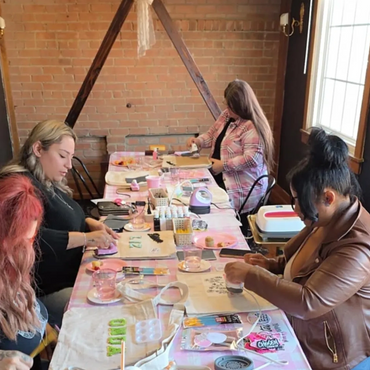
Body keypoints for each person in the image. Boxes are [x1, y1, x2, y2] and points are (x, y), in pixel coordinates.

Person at [224, 128, 370, 370]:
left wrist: (250, 275)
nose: (295, 208)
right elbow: (304, 263)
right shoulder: (327, 218)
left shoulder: (358, 247)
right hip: (304, 330)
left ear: (328, 197)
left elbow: (308, 302)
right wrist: (272, 265)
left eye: (298, 200)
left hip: (334, 353)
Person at [0, 120, 119, 327]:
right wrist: (86, 238)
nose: (69, 165)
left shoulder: (45, 178)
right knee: (105, 317)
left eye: (71, 158)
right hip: (47, 289)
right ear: (38, 149)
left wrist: (90, 223)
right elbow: (32, 238)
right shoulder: (18, 185)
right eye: (62, 156)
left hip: (74, 273)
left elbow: (67, 214)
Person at [186, 79, 274, 219]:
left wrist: (224, 165)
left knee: (204, 208)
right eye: (227, 104)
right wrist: (198, 141)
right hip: (218, 176)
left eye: (232, 107)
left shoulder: (252, 127)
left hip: (239, 188)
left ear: (242, 106)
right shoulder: (226, 115)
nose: (228, 109)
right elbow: (212, 134)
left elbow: (252, 158)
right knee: (191, 194)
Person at [0, 175, 48, 370]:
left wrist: (45, 329)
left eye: (31, 240)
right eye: (20, 243)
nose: (27, 251)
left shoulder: (11, 269)